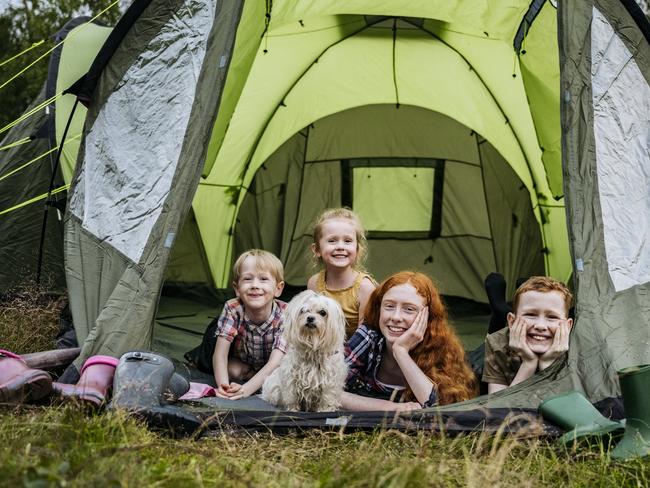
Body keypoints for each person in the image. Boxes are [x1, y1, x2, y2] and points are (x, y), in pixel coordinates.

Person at [341, 271, 478, 411]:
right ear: (379, 308)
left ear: (427, 316)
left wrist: (401, 352)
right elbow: (325, 391)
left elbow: (439, 409)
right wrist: (391, 408)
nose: (396, 317)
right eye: (389, 306)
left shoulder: (438, 346)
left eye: (409, 309)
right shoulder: (369, 336)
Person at [212, 249, 287, 400]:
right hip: (246, 364)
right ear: (237, 289)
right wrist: (223, 387)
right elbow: (220, 354)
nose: (255, 285)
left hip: (276, 367)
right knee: (231, 369)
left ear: (278, 289)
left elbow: (275, 362)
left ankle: (258, 383)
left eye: (263, 279)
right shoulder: (233, 308)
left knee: (285, 376)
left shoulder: (286, 314)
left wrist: (245, 390)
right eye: (247, 279)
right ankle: (257, 381)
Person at [483, 276, 573, 394]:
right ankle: (499, 312)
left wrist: (547, 364)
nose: (540, 326)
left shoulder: (578, 349)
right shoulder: (496, 344)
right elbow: (497, 408)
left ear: (568, 325)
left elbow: (569, 409)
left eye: (552, 317)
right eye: (530, 314)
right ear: (511, 321)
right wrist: (529, 363)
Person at [307, 208, 376, 337]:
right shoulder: (314, 283)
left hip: (355, 353)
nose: (340, 246)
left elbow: (365, 337)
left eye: (347, 241)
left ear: (358, 249)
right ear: (317, 249)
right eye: (332, 240)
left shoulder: (365, 288)